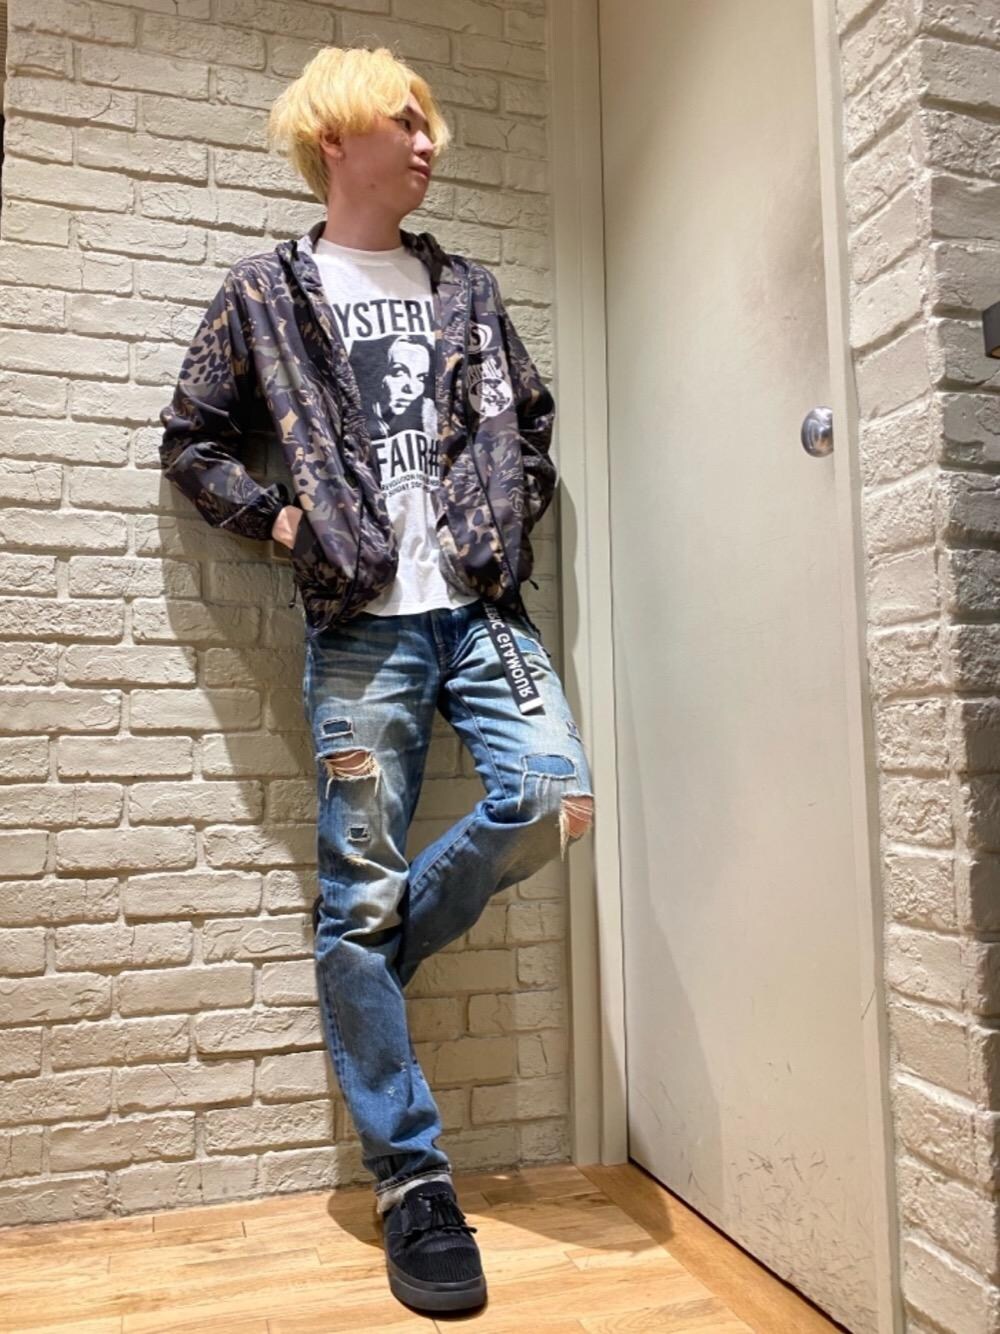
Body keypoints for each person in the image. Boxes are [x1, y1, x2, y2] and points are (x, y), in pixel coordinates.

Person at [157, 43, 595, 1316]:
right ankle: (413, 1179)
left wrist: (501, 511)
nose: (426, 142)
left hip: (479, 608)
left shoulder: (466, 289)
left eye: (429, 123)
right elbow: (191, 437)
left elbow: (531, 421)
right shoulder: (265, 294)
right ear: (334, 139)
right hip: (360, 625)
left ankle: (366, 962)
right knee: (352, 886)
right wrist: (279, 521)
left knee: (551, 796)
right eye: (402, 122)